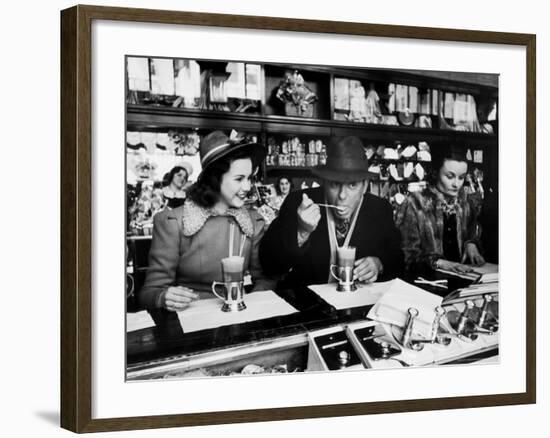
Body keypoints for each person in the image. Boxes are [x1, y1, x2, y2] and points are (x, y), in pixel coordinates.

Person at [138, 130, 270, 320]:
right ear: (214, 179)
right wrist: (163, 297)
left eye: (249, 178)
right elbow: (147, 293)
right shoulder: (173, 222)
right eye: (239, 179)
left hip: (239, 319)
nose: (248, 188)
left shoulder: (253, 222)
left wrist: (252, 303)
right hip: (190, 323)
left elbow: (265, 279)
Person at [259, 136, 404, 289]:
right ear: (324, 182)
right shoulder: (298, 202)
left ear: (364, 185)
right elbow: (269, 266)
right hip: (309, 307)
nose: (342, 195)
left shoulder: (380, 209)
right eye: (335, 184)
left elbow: (398, 261)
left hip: (357, 306)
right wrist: (301, 232)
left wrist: (379, 263)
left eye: (352, 185)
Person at [395, 143, 485, 275]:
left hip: (463, 280)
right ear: (435, 172)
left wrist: (471, 245)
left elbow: (473, 235)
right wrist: (440, 263)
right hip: (426, 284)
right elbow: (406, 257)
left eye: (461, 177)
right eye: (449, 176)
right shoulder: (415, 204)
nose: (456, 184)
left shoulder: (465, 204)